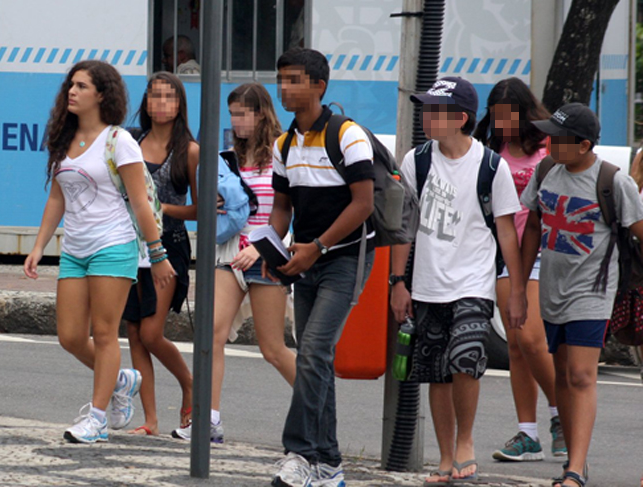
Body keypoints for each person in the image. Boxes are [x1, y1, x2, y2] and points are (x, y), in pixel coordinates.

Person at [23, 60, 175, 444]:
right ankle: (121, 380)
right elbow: (57, 197)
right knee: (71, 337)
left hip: (114, 245)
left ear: (102, 95)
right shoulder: (64, 138)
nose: (71, 92)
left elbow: (141, 203)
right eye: (70, 85)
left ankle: (98, 418)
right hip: (75, 249)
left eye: (82, 86)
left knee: (106, 334)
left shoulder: (118, 141)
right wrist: (39, 246)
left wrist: (156, 253)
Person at [390, 77, 527, 485]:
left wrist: (516, 290)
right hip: (427, 282)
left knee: (465, 360)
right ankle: (446, 456)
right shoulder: (417, 161)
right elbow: (403, 225)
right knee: (436, 372)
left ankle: (465, 442)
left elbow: (507, 232)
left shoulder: (490, 166)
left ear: (460, 118)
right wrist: (399, 281)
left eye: (434, 110)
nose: (426, 116)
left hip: (473, 281)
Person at [268, 47, 375, 487]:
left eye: (294, 80)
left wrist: (317, 247)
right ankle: (329, 463)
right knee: (318, 361)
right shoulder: (284, 143)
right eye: (281, 80)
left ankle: (299, 453)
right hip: (305, 262)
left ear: (319, 86)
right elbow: (281, 207)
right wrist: (271, 249)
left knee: (312, 352)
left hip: (346, 258)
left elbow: (363, 204)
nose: (284, 88)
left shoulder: (347, 135)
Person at [521, 103, 643, 487]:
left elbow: (639, 230)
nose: (549, 143)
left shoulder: (612, 181)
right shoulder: (545, 172)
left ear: (584, 144)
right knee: (560, 374)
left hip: (593, 292)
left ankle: (575, 468)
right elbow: (532, 230)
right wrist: (519, 290)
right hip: (552, 291)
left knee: (581, 375)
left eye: (557, 139)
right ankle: (574, 463)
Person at [172, 82, 297, 444]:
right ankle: (208, 420)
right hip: (228, 253)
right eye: (231, 114)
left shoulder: (282, 150)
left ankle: (315, 407)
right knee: (209, 335)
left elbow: (285, 210)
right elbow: (217, 204)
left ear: (261, 113)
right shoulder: (228, 157)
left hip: (267, 255)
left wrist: (261, 248)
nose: (236, 120)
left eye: (242, 113)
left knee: (272, 348)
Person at [474, 77, 566, 461]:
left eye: (509, 117)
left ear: (527, 114)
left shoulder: (546, 146)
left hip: (542, 249)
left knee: (531, 338)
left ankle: (562, 415)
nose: (502, 124)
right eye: (496, 117)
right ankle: (527, 433)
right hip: (503, 251)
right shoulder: (490, 147)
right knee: (514, 343)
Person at [122, 72, 198, 436]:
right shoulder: (130, 141)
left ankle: (190, 384)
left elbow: (202, 210)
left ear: (180, 104)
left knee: (152, 333)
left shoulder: (190, 150)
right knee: (134, 333)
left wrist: (160, 209)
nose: (161, 104)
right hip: (129, 245)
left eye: (169, 97)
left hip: (169, 247)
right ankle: (150, 420)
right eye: (154, 97)